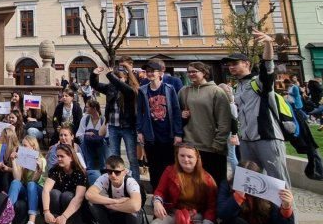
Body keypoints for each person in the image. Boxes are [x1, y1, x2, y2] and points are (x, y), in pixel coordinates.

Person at [151, 143, 233, 224]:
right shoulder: (170, 171)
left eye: (189, 156)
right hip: (175, 214)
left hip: (198, 218)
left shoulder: (207, 179)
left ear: (197, 158)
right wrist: (157, 202)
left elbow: (212, 206)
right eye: (182, 155)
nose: (185, 159)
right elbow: (159, 191)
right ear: (177, 156)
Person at [224, 30, 292, 188]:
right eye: (229, 65)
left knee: (278, 182)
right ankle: (254, 212)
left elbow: (268, 66)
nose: (231, 67)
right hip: (247, 140)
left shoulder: (258, 82)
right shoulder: (237, 87)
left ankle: (287, 213)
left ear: (247, 64)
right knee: (248, 184)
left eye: (235, 64)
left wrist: (268, 43)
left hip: (267, 138)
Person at [178, 62, 232, 186]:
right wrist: (181, 115)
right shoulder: (184, 91)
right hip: (191, 145)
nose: (191, 74)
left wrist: (219, 142)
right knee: (194, 183)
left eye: (194, 71)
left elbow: (224, 119)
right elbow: (177, 116)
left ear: (204, 73)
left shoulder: (216, 91)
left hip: (212, 146)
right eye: (189, 72)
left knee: (214, 183)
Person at [85, 155, 143, 224]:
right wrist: (114, 201)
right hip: (113, 216)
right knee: (92, 203)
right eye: (109, 171)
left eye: (117, 172)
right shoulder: (105, 178)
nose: (113, 175)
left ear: (124, 171)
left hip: (129, 219)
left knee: (135, 211)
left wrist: (111, 205)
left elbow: (135, 205)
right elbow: (89, 195)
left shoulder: (130, 182)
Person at [136, 59, 183, 191]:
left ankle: (170, 192)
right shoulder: (143, 90)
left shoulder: (169, 89)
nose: (150, 74)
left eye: (153, 71)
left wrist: (178, 133)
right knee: (154, 165)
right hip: (151, 134)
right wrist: (139, 131)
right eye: (148, 71)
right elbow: (140, 111)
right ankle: (157, 192)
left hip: (168, 133)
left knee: (169, 165)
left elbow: (176, 110)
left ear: (160, 73)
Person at [92, 63, 140, 180]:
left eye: (120, 77)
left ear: (126, 78)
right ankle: (117, 182)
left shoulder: (130, 89)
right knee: (114, 157)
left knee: (132, 158)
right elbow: (96, 85)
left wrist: (110, 75)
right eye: (116, 77)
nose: (117, 80)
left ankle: (136, 184)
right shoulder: (110, 88)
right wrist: (94, 75)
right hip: (113, 127)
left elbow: (122, 87)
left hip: (127, 127)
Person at [41, 143, 90, 224]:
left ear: (71, 157)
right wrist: (46, 212)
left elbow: (79, 198)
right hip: (59, 206)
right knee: (54, 193)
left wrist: (64, 217)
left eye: (62, 156)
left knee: (67, 196)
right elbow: (45, 190)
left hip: (77, 208)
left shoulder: (80, 172)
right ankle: (50, 223)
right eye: (57, 156)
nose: (58, 159)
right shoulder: (55, 170)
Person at [7, 135, 46, 224]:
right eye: (21, 145)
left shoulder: (41, 159)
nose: (22, 148)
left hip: (37, 191)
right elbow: (18, 178)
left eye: (25, 145)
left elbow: (34, 182)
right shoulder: (22, 157)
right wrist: (14, 161)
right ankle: (7, 220)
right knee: (15, 182)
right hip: (25, 189)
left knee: (31, 184)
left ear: (33, 147)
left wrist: (38, 171)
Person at [76, 100, 107, 171]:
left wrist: (96, 135)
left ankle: (103, 166)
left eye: (87, 107)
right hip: (88, 142)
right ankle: (89, 166)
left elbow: (107, 135)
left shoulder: (103, 119)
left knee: (103, 142)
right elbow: (78, 134)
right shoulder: (85, 118)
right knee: (83, 140)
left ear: (94, 108)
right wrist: (86, 134)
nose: (85, 109)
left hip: (99, 142)